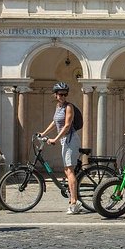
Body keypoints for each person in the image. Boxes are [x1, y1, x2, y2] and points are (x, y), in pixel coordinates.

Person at [38, 82, 82, 215]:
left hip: (70, 139)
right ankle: (73, 198)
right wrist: (44, 134)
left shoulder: (68, 107)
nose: (63, 96)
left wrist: (55, 139)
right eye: (60, 94)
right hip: (64, 140)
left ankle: (74, 202)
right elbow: (55, 122)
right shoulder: (58, 107)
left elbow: (67, 125)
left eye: (65, 94)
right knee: (67, 170)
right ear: (55, 95)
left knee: (69, 170)